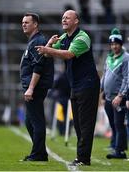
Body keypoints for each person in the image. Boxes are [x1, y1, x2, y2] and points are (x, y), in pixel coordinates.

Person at [36, 10, 100, 166]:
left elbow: (68, 54)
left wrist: (48, 49)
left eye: (67, 18)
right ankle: (82, 156)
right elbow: (46, 54)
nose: (63, 20)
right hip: (75, 85)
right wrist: (49, 44)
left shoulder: (82, 37)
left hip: (88, 84)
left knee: (85, 123)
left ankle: (83, 158)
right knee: (77, 123)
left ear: (76, 21)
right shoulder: (64, 37)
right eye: (62, 18)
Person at [20, 12, 54, 161]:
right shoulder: (33, 40)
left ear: (35, 24)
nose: (24, 24)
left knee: (36, 120)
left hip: (36, 87)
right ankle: (40, 152)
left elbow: (38, 67)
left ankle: (38, 154)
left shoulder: (38, 40)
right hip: (33, 86)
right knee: (29, 120)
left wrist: (31, 88)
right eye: (23, 22)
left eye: (27, 22)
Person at [101, 28, 128, 159]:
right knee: (113, 124)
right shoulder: (109, 58)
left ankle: (120, 151)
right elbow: (104, 75)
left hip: (118, 97)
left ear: (121, 44)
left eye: (116, 44)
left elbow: (127, 78)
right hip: (107, 97)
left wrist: (120, 95)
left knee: (119, 124)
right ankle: (114, 145)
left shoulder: (126, 58)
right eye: (112, 44)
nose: (114, 46)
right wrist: (101, 91)